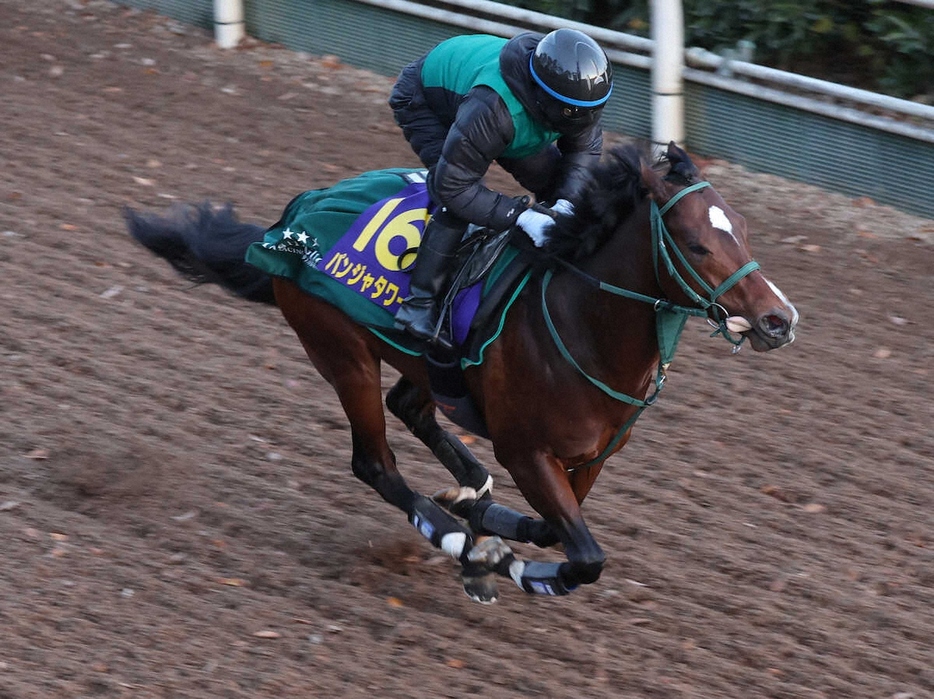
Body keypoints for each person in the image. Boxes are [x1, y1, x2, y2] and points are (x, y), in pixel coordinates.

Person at [388, 28, 613, 348]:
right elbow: (455, 188)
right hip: (428, 102)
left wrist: (567, 201)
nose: (587, 121)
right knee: (455, 200)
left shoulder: (580, 100)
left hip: (512, 119)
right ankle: (418, 305)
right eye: (575, 114)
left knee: (560, 188)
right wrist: (520, 216)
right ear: (544, 97)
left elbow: (583, 152)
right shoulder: (493, 108)